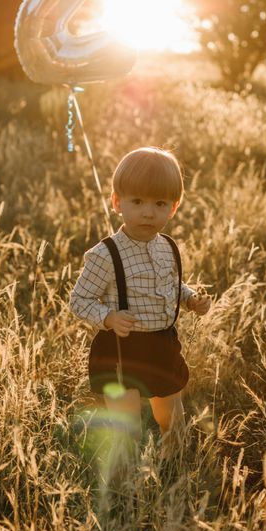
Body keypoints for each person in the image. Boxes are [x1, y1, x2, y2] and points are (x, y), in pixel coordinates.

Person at [70, 147, 210, 460]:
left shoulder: (167, 248)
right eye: (138, 202)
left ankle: (171, 465)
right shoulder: (105, 254)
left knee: (171, 416)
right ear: (117, 202)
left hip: (162, 345)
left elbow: (171, 285)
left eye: (159, 203)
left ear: (173, 207)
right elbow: (79, 299)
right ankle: (126, 478)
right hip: (122, 349)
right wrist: (108, 317)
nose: (148, 212)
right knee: (127, 421)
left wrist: (190, 299)